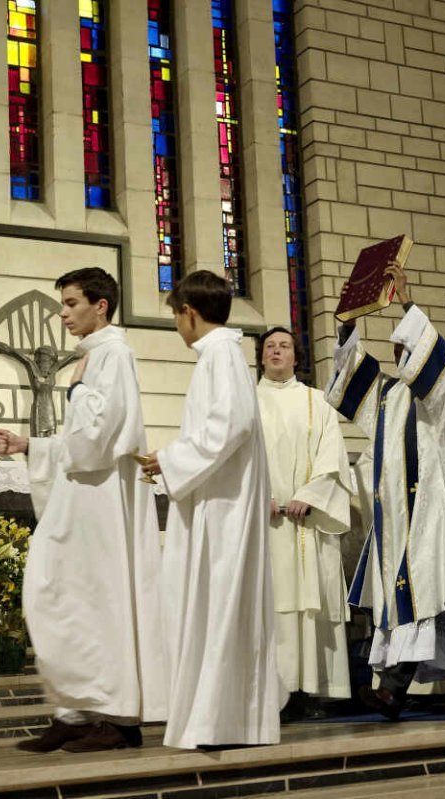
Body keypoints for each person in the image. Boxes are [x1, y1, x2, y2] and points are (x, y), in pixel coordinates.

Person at [0, 267, 166, 753]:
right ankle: (74, 710)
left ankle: (116, 718)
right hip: (84, 494)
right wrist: (31, 444)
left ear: (101, 306)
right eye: (64, 304)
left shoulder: (111, 356)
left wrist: (76, 391)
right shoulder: (93, 357)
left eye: (72, 303)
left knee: (94, 599)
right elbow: (81, 438)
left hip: (100, 499)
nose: (64, 313)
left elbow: (98, 439)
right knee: (62, 596)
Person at [326, 264, 445, 720]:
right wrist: (349, 325)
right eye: (396, 346)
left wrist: (408, 302)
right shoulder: (390, 396)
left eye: (407, 344)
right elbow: (350, 383)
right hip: (397, 517)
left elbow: (438, 364)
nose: (399, 351)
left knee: (423, 592)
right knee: (439, 598)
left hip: (430, 509)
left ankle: (394, 690)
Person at [141, 270, 282, 749]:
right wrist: (174, 458)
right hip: (216, 498)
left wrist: (172, 457)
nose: (177, 328)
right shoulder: (221, 355)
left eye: (176, 317)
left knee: (218, 603)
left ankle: (217, 722)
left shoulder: (220, 354)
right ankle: (219, 719)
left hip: (224, 508)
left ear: (189, 312)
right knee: (213, 605)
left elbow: (233, 424)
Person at [256, 327, 356, 719]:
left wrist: (308, 497)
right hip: (263, 524)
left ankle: (309, 691)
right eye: (269, 347)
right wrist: (255, 497)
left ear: (296, 357)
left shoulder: (318, 402)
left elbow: (332, 458)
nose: (277, 352)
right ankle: (272, 692)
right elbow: (236, 459)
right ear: (261, 357)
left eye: (284, 346)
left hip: (305, 523)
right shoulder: (245, 402)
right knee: (271, 605)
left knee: (308, 605)